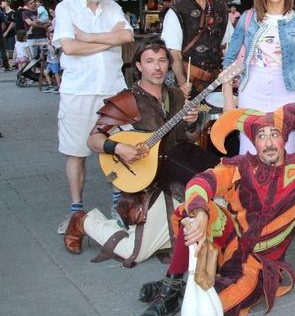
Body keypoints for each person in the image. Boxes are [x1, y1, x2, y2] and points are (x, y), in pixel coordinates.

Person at [135, 102, 295, 316]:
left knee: (219, 304)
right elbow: (202, 181)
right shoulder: (240, 166)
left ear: (284, 138)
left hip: (258, 265)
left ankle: (177, 286)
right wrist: (200, 213)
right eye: (261, 136)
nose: (268, 143)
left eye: (274, 134)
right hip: (227, 245)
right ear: (253, 142)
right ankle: (171, 292)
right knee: (190, 212)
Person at [62, 37, 219, 264]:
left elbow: (190, 138)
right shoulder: (127, 100)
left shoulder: (177, 95)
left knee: (211, 194)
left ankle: (172, 237)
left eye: (162, 60)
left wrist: (192, 122)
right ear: (138, 66)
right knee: (133, 253)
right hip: (146, 183)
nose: (157, 67)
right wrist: (118, 147)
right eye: (149, 61)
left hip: (178, 173)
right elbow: (93, 140)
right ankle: (83, 220)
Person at [52, 0, 134, 254]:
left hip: (113, 91)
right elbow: (69, 46)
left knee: (116, 149)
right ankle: (76, 210)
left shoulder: (114, 7)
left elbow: (127, 36)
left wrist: (88, 37)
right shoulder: (66, 8)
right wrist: (106, 41)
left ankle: (118, 209)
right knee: (76, 152)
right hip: (78, 91)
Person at [222, 0, 295, 155]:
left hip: (285, 93)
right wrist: (229, 99)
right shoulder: (248, 18)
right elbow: (229, 60)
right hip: (252, 91)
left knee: (284, 151)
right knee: (250, 152)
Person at [162, 0, 232, 97]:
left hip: (218, 82)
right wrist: (182, 84)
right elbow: (173, 52)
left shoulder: (220, 6)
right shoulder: (176, 9)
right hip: (189, 82)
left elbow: (228, 46)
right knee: (192, 119)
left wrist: (230, 79)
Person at [42, 28, 62, 93]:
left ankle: (59, 87)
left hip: (55, 61)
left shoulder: (57, 44)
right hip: (50, 61)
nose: (51, 37)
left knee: (56, 74)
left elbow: (54, 52)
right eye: (50, 36)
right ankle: (50, 85)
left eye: (52, 36)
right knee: (45, 72)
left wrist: (50, 45)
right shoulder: (50, 42)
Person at [1, 0, 16, 68]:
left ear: (6, 3)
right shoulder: (2, 13)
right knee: (5, 49)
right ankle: (6, 63)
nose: (1, 4)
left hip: (10, 34)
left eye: (2, 3)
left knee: (10, 49)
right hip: (3, 33)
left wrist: (6, 32)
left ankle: (10, 63)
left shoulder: (12, 12)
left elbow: (13, 23)